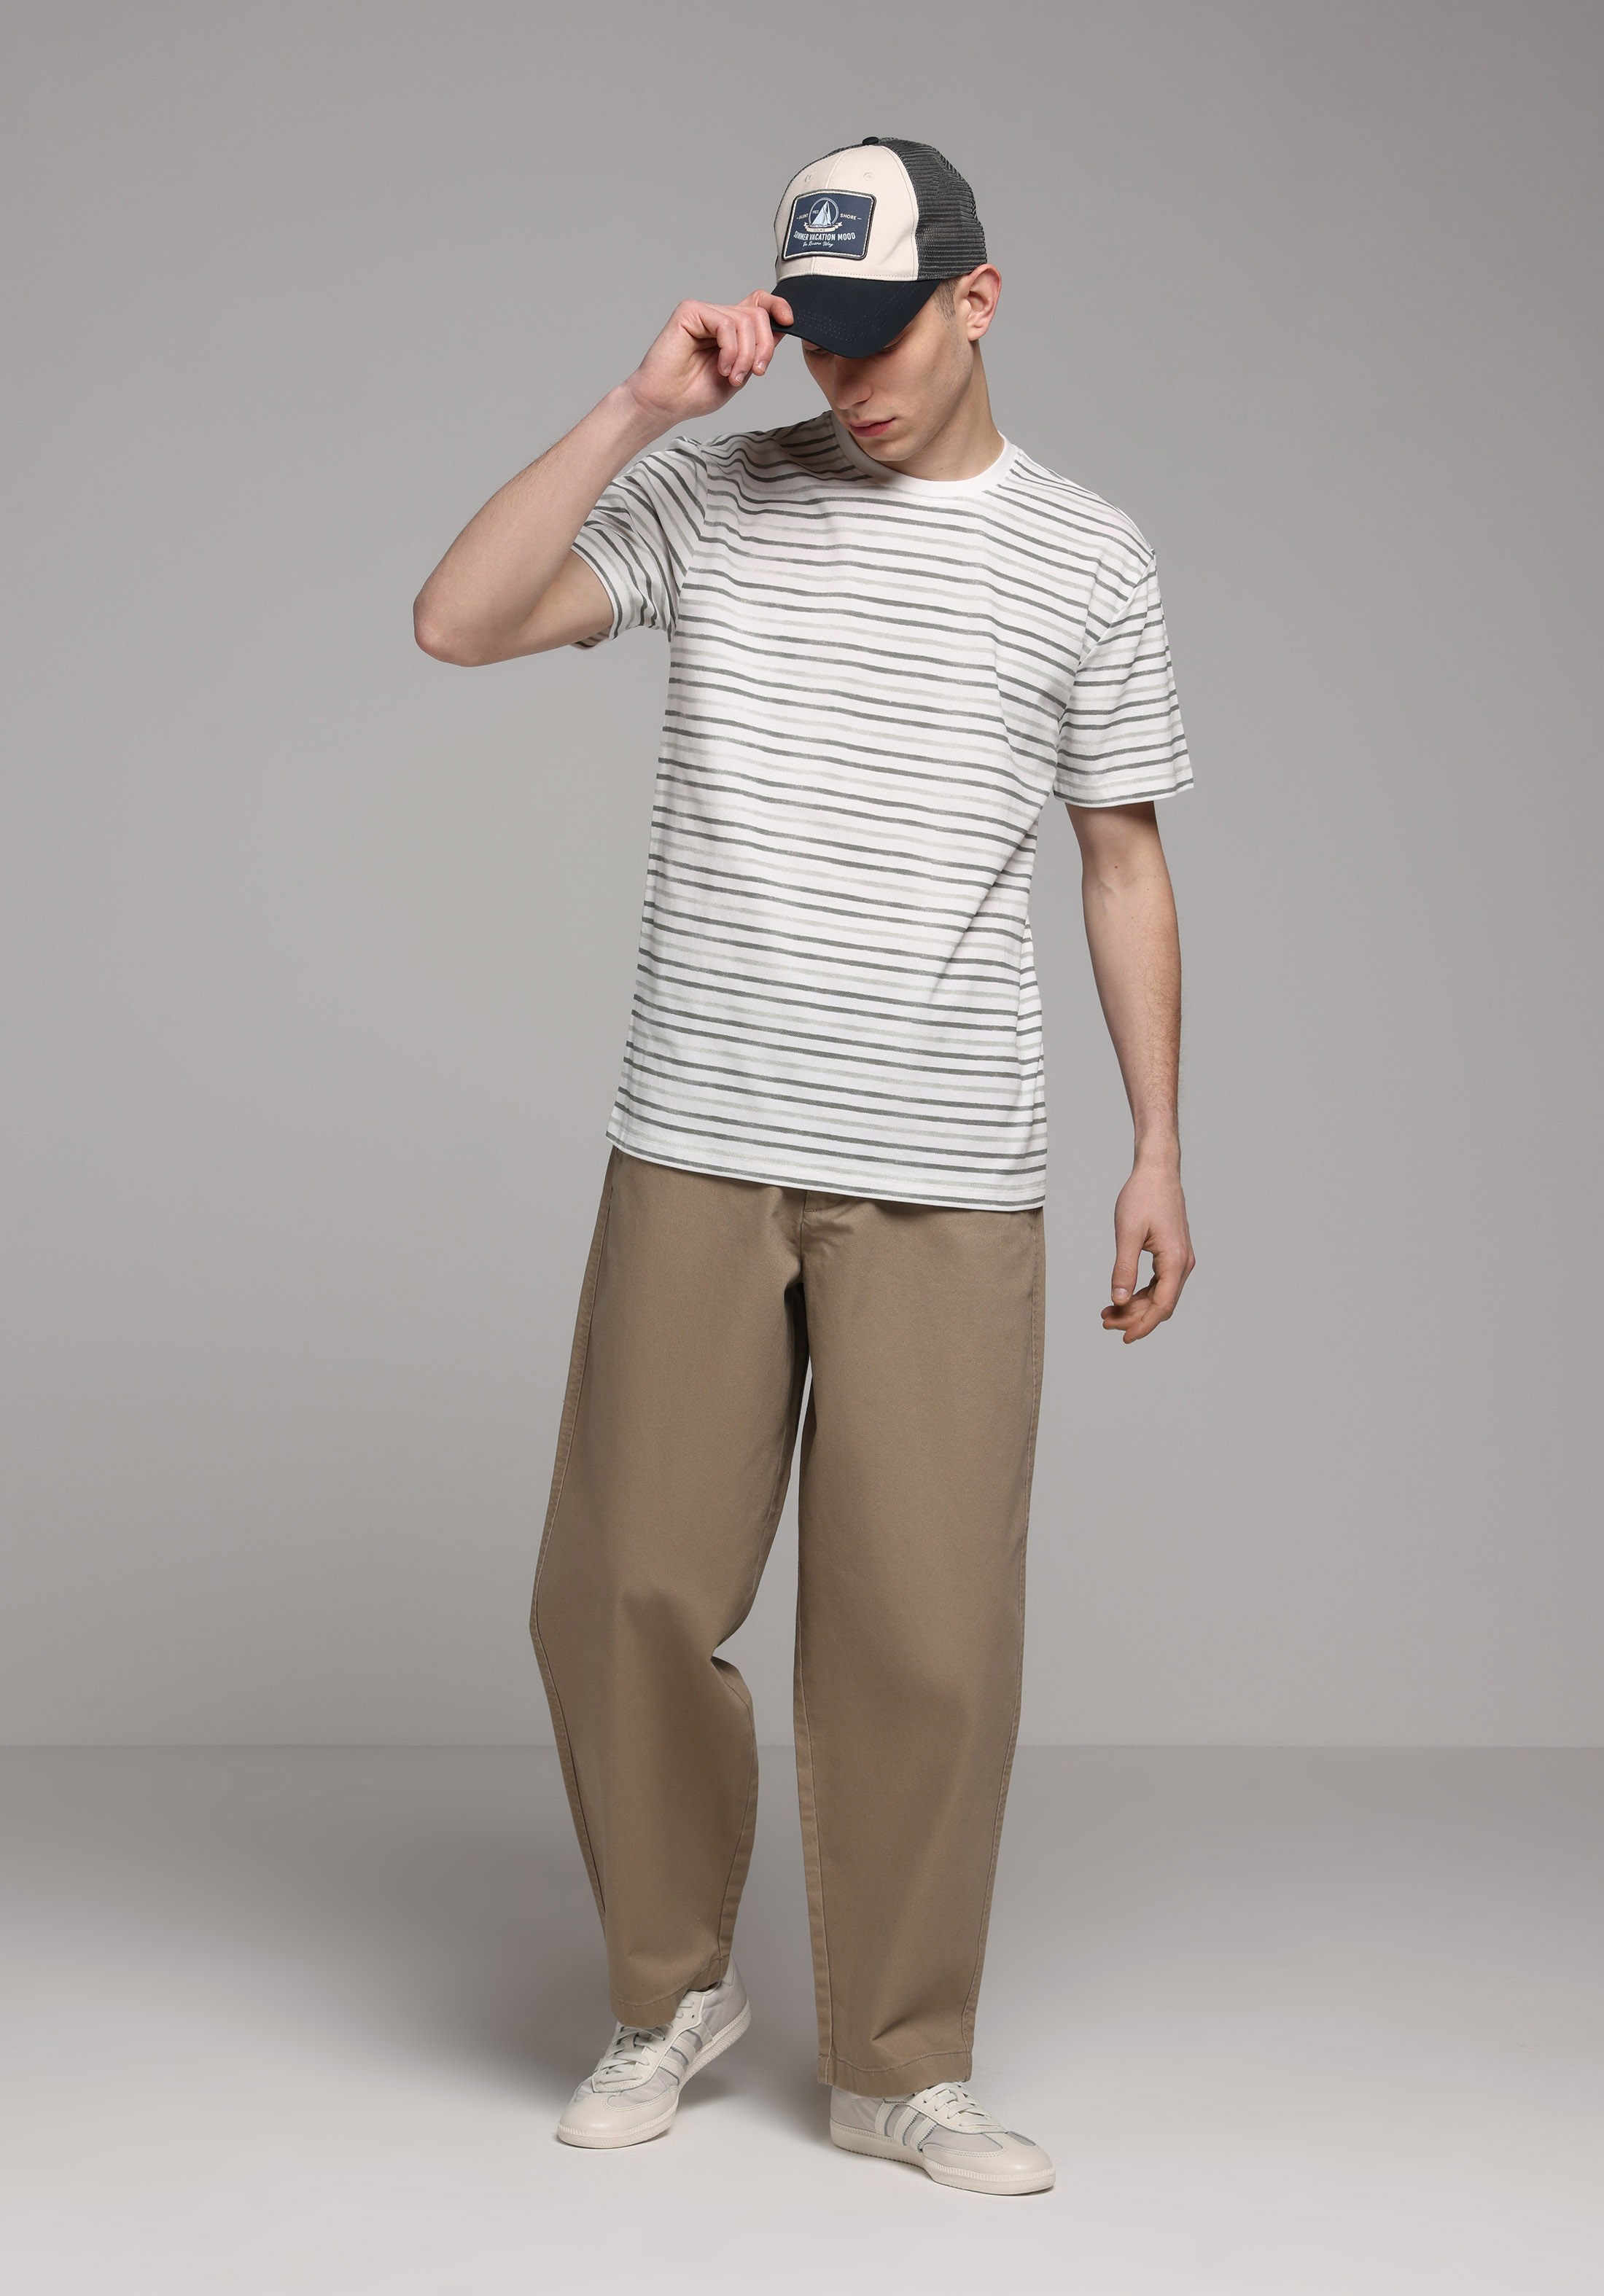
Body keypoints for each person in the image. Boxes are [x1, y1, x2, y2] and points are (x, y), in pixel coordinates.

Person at [413, 137, 1194, 2197]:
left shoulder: (1088, 558)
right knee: (623, 1591)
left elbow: (1123, 858)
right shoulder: (714, 495)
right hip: (700, 1132)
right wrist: (635, 406)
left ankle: (902, 2063)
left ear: (980, 301)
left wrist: (1160, 1145)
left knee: (925, 1630)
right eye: (817, 339)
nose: (847, 381)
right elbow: (457, 623)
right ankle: (667, 1991)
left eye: (883, 338)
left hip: (950, 1164)